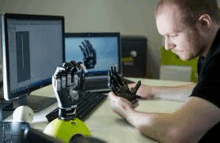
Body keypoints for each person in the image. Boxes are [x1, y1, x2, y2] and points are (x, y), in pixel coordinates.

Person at [108, 0, 220, 142]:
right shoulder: (209, 50)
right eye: (164, 36)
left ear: (204, 23)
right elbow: (205, 91)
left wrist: (126, 112)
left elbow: (176, 133)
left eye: (173, 35)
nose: (167, 46)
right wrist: (151, 90)